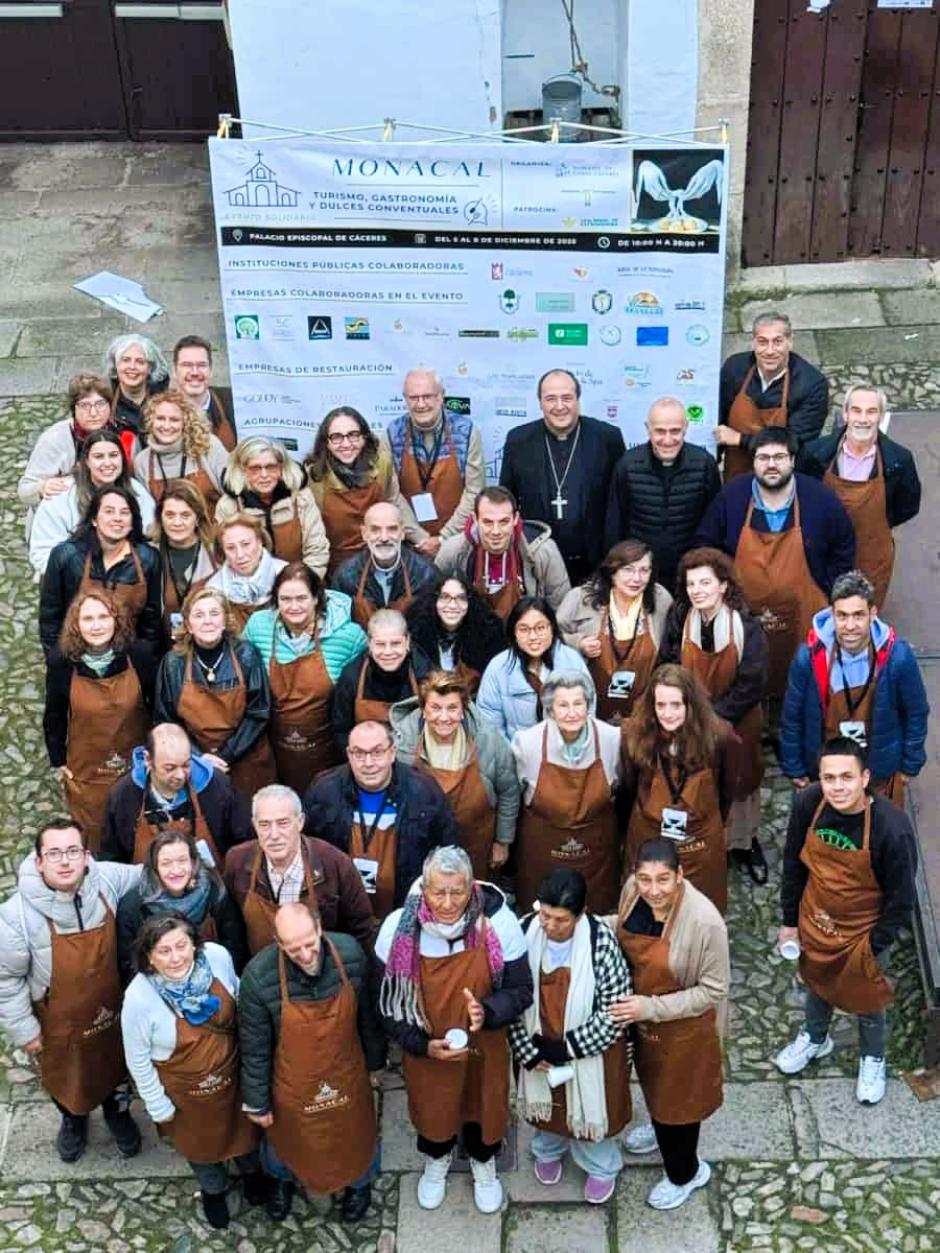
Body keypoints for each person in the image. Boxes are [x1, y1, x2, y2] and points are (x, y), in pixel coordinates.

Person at [377, 847, 532, 1214]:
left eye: (457, 892)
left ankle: (483, 1163)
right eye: (438, 892)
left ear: (472, 886)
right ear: (423, 888)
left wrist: (489, 1011)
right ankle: (436, 1160)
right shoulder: (398, 929)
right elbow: (384, 1004)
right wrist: (420, 1045)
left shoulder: (500, 923)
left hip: (485, 1043)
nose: (447, 903)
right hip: (426, 1047)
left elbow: (521, 989)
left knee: (485, 1104)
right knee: (434, 1107)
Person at [774, 737, 917, 1105]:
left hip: (863, 931)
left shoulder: (891, 827)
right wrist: (791, 921)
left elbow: (902, 900)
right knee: (817, 982)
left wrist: (871, 947)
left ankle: (873, 1058)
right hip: (816, 919)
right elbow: (793, 862)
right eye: (829, 777)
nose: (837, 787)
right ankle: (815, 1038)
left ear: (865, 777)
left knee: (867, 999)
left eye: (846, 777)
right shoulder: (809, 804)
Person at [0, 819, 143, 1164]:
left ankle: (118, 1114)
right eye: (54, 853)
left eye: (72, 851)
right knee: (65, 1076)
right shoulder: (14, 917)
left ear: (86, 856)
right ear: (38, 861)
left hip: (112, 1010)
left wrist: (194, 856)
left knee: (116, 1068)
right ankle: (73, 1119)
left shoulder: (106, 879)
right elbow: (6, 981)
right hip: (58, 1022)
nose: (65, 861)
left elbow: (150, 871)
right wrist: (25, 1030)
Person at [239, 901, 385, 1223]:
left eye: (309, 944)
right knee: (285, 1138)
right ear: (277, 943)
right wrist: (258, 1102)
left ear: (320, 928)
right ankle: (282, 1181)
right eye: (293, 949)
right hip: (292, 1083)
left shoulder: (350, 955)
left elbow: (368, 1019)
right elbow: (255, 1048)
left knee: (356, 1131)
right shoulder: (257, 977)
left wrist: (376, 1063)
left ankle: (360, 1182)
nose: (305, 955)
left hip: (347, 1072)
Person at [122, 915, 263, 1229]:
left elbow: (239, 997)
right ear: (148, 957)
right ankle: (214, 1191)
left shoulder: (217, 957)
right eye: (163, 951)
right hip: (186, 1097)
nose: (175, 958)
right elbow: (138, 1059)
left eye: (181, 946)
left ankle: (252, 1174)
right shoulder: (138, 998)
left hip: (235, 1079)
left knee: (247, 1133)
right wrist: (158, 1105)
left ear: (195, 944)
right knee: (202, 1148)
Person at [611, 838, 729, 1211]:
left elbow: (714, 989)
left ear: (680, 875)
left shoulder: (705, 921)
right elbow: (622, 927)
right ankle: (661, 1130)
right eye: (645, 879)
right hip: (645, 1021)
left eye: (663, 880)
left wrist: (651, 1007)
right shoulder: (633, 893)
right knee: (654, 1087)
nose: (653, 890)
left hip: (686, 1033)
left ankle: (686, 1173)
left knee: (681, 1104)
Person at [694, 427, 855, 699]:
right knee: (745, 679)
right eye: (763, 457)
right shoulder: (732, 497)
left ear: (792, 460)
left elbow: (844, 545)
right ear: (753, 461)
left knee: (803, 682)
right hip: (743, 614)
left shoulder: (820, 499)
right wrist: (719, 590)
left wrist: (827, 588)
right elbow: (705, 546)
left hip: (804, 614)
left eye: (779, 457)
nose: (771, 465)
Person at [509, 868, 632, 1204]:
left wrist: (566, 1048)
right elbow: (510, 996)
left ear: (581, 914)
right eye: (545, 916)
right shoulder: (522, 932)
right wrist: (528, 1050)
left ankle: (600, 1165)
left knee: (592, 1110)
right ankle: (548, 1147)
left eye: (561, 920)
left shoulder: (602, 944)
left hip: (589, 1051)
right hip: (537, 1045)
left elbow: (613, 1012)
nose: (549, 926)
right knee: (547, 1110)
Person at [659, 547, 769, 882]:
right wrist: (688, 713)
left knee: (739, 782)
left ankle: (744, 843)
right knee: (697, 785)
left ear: (723, 585)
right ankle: (703, 844)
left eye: (705, 582)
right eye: (691, 584)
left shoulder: (745, 627)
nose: (697, 590)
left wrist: (713, 716)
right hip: (688, 721)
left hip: (736, 722)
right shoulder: (680, 619)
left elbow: (754, 681)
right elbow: (667, 664)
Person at [781, 571, 928, 808]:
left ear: (872, 614)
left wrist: (910, 765)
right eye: (842, 616)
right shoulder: (807, 658)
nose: (850, 626)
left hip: (879, 773)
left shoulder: (898, 658)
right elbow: (792, 718)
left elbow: (916, 713)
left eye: (858, 615)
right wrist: (794, 766)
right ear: (832, 615)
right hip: (828, 777)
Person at [303, 719, 459, 921]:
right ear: (349, 754)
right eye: (359, 753)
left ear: (392, 752)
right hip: (342, 909)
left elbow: (447, 850)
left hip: (405, 907)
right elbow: (308, 851)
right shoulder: (324, 790)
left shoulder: (424, 791)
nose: (368, 763)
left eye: (377, 753)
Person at [623, 665, 740, 914]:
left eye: (676, 705)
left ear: (690, 704)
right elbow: (629, 786)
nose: (668, 714)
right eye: (660, 705)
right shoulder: (634, 734)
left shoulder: (720, 736)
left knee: (699, 909)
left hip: (700, 838)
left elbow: (727, 789)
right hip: (648, 829)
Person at [43, 590, 155, 851]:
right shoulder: (61, 662)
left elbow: (157, 708)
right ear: (76, 624)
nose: (96, 625)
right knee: (95, 839)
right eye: (88, 618)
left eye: (103, 616)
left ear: (116, 619)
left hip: (136, 766)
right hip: (87, 771)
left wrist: (156, 753)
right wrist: (57, 761)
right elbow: (54, 715)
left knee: (139, 833)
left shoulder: (140, 654)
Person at [243, 563, 366, 791]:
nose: (293, 606)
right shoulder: (257, 627)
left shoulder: (350, 637)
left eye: (301, 598)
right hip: (274, 753)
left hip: (329, 755)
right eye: (285, 599)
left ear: (317, 598)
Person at [798, 383, 921, 607]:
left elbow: (908, 506)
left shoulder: (899, 461)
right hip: (825, 551)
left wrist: (879, 524)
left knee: (863, 614)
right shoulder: (814, 454)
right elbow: (802, 497)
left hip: (872, 555)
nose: (863, 419)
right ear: (845, 413)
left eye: (871, 412)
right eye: (856, 410)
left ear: (881, 416)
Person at [500, 369, 626, 584]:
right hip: (537, 560)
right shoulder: (519, 441)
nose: (559, 406)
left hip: (596, 563)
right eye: (550, 399)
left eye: (567, 398)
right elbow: (506, 500)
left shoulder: (607, 438)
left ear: (578, 399)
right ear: (540, 403)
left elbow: (622, 501)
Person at [391, 670, 520, 879]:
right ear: (423, 710)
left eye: (452, 708)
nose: (444, 717)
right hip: (420, 846)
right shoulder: (403, 743)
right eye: (435, 708)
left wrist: (502, 842)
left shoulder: (487, 739)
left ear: (463, 710)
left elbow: (509, 793)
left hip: (477, 845)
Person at [512, 673, 622, 913]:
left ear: (588, 705)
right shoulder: (527, 743)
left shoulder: (612, 739)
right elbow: (515, 797)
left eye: (578, 704)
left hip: (596, 854)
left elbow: (620, 786)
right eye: (563, 705)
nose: (571, 713)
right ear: (550, 709)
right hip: (542, 852)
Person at [155, 586, 276, 803]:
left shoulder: (246, 654)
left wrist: (225, 755)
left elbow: (259, 712)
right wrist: (198, 757)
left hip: (246, 759)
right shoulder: (173, 663)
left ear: (225, 621)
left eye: (214, 613)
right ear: (188, 625)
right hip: (194, 764)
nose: (207, 621)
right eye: (199, 615)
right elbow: (166, 719)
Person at [224, 784, 375, 957]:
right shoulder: (237, 861)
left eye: (283, 823)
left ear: (300, 822)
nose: (274, 835)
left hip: (321, 973)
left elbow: (362, 930)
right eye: (264, 824)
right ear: (254, 825)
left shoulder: (335, 864)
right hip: (262, 976)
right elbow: (232, 932)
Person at [604, 398, 722, 592]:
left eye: (675, 431)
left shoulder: (704, 464)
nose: (667, 440)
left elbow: (713, 524)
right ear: (647, 428)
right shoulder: (627, 464)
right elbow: (614, 524)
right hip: (639, 574)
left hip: (688, 575)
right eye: (660, 431)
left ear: (686, 428)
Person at [101, 723, 251, 866]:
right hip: (146, 889)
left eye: (186, 765)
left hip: (211, 886)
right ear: (148, 760)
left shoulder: (216, 785)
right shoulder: (125, 795)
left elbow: (243, 845)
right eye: (170, 768)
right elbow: (112, 856)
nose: (180, 775)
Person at [557, 539, 672, 724]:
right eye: (628, 569)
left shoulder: (661, 599)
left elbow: (672, 647)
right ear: (612, 572)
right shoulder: (580, 598)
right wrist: (578, 643)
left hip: (644, 712)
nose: (636, 578)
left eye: (644, 570)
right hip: (587, 709)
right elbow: (552, 636)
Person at [39, 484, 162, 654]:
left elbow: (151, 623)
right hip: (76, 657)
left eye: (124, 513)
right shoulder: (65, 556)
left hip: (127, 660)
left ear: (133, 521)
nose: (117, 518)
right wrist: (58, 662)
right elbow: (50, 620)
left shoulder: (148, 559)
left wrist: (146, 664)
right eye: (109, 511)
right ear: (94, 519)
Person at [116, 830, 249, 982]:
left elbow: (235, 946)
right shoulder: (133, 906)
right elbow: (130, 965)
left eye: (182, 860)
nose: (176, 870)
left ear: (193, 862)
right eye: (166, 863)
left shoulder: (214, 890)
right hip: (160, 991)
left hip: (214, 980)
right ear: (155, 867)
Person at [380, 367, 486, 557]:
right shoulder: (392, 434)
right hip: (411, 545)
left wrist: (445, 538)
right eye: (413, 398)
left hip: (459, 543)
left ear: (441, 396)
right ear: (405, 399)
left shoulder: (467, 432)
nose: (421, 404)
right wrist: (420, 538)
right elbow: (391, 493)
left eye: (427, 396)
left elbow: (474, 492)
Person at [306, 405, 419, 575]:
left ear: (364, 437)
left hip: (382, 553)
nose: (346, 444)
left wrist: (421, 539)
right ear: (326, 443)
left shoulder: (382, 463)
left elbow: (394, 501)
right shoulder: (314, 477)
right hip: (338, 565)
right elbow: (313, 534)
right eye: (336, 437)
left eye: (353, 435)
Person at [716, 311, 828, 480]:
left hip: (782, 476)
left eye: (777, 342)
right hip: (737, 472)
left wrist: (740, 439)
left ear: (790, 342)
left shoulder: (812, 384)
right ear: (753, 343)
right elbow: (720, 418)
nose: (769, 351)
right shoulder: (734, 368)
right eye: (762, 342)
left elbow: (794, 441)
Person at [29, 429, 156, 575]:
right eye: (99, 457)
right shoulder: (61, 496)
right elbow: (43, 552)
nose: (107, 463)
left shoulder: (137, 492)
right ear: (87, 461)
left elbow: (150, 538)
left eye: (114, 455)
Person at [435, 485, 571, 619]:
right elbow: (433, 605)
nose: (496, 531)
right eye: (488, 522)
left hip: (528, 636)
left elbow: (561, 613)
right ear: (475, 519)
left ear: (516, 518)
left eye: (504, 522)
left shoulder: (543, 552)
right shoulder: (452, 552)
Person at [17, 372, 124, 537]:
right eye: (85, 405)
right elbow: (24, 490)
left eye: (101, 404)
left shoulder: (120, 433)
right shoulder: (54, 440)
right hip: (59, 528)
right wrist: (42, 487)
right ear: (73, 409)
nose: (94, 412)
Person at [477, 596, 589, 741]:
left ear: (552, 628)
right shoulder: (498, 668)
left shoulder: (572, 661)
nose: (533, 636)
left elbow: (588, 713)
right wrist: (517, 756)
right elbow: (491, 728)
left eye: (540, 628)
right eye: (524, 630)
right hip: (517, 757)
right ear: (514, 633)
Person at [216, 435, 329, 574]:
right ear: (242, 470)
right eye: (255, 468)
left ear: (282, 468)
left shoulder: (301, 497)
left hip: (300, 582)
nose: (264, 475)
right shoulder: (228, 506)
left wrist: (304, 586)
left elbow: (317, 550)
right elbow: (226, 559)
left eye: (271, 467)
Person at [331, 609, 432, 752]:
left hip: (413, 761)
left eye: (396, 643)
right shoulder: (352, 676)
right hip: (366, 762)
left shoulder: (425, 675)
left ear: (407, 642)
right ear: (369, 644)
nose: (388, 652)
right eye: (380, 644)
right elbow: (341, 730)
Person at [331, 500, 436, 628]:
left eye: (392, 529)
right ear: (364, 534)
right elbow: (339, 628)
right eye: (375, 530)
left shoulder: (426, 574)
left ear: (402, 533)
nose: (384, 538)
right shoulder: (345, 576)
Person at [405, 570, 506, 696]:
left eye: (461, 598)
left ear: (470, 602)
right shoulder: (417, 633)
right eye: (445, 597)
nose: (452, 605)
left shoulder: (487, 637)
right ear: (434, 600)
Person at [148, 481, 219, 644]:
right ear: (160, 517)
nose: (177, 522)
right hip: (162, 647)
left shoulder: (216, 553)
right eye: (170, 515)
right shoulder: (148, 555)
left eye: (185, 515)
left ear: (197, 517)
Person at [133, 390, 228, 508]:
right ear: (151, 421)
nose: (166, 426)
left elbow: (233, 494)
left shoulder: (207, 445)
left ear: (186, 422)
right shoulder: (142, 461)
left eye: (174, 420)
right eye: (160, 418)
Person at [206, 513, 287, 632]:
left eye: (246, 544)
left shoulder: (286, 575)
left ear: (260, 542)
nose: (240, 554)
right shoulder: (214, 590)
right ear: (223, 551)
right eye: (230, 548)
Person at [172, 334, 237, 451]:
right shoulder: (159, 409)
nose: (195, 372)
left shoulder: (233, 402)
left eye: (201, 365)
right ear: (175, 371)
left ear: (211, 370)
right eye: (187, 365)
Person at [105, 333, 170, 447]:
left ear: (150, 367)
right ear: (115, 365)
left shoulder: (167, 399)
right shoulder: (104, 401)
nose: (132, 367)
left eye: (140, 361)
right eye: (125, 360)